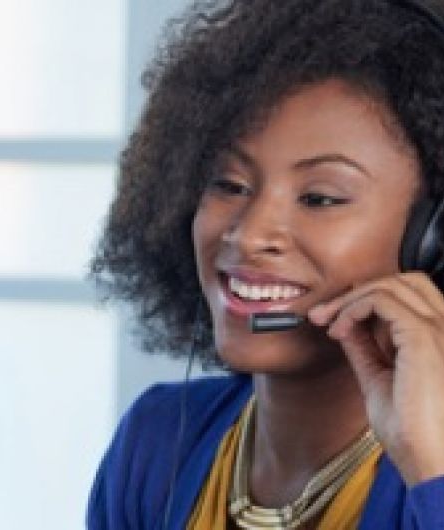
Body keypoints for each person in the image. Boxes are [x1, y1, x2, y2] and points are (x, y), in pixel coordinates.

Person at [86, 0, 444, 528]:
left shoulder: (432, 467)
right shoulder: (158, 440)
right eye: (228, 185)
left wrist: (431, 467)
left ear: (433, 241)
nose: (249, 235)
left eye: (320, 197)